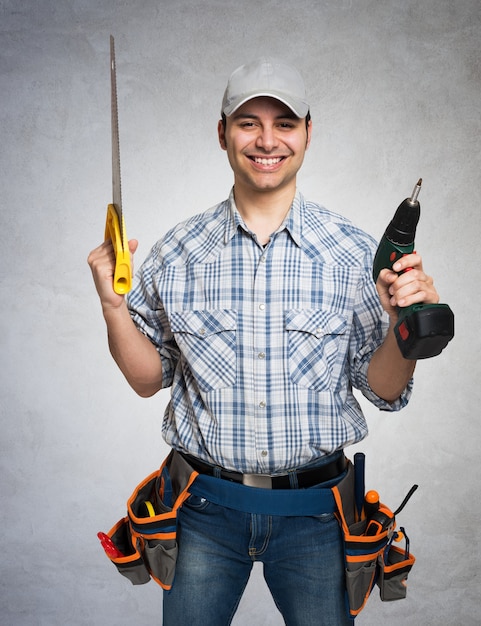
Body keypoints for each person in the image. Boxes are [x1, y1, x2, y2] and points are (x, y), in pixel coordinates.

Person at [88, 57, 440, 625]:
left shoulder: (353, 253)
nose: (267, 139)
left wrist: (406, 329)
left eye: (285, 123)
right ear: (222, 132)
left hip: (318, 516)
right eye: (248, 122)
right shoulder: (177, 253)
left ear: (307, 133)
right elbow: (147, 378)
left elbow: (382, 389)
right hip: (203, 509)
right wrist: (111, 306)